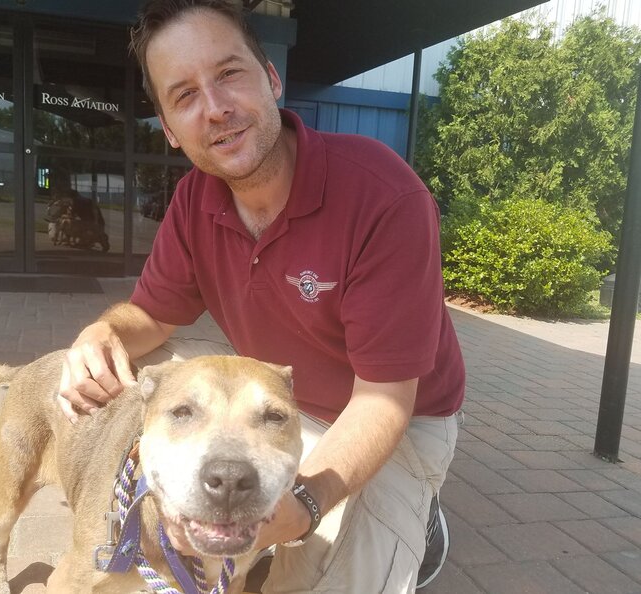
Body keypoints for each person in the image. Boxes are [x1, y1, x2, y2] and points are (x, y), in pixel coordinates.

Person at [57, 1, 465, 592]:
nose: (216, 108)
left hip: (396, 412)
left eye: (228, 74)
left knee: (311, 579)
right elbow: (151, 315)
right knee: (141, 373)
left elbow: (385, 399)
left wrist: (305, 504)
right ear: (170, 129)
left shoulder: (383, 197)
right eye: (185, 95)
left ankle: (409, 507)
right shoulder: (195, 200)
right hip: (277, 399)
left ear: (272, 78)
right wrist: (104, 334)